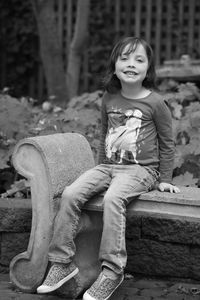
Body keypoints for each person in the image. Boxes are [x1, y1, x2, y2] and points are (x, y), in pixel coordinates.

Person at [37, 36, 180, 300]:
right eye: (124, 58)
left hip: (141, 170)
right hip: (109, 167)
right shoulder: (109, 98)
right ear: (114, 65)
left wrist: (164, 178)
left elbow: (167, 144)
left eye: (139, 59)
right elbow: (105, 134)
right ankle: (62, 262)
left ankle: (112, 271)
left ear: (148, 69)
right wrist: (101, 169)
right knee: (70, 194)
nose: (131, 64)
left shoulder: (156, 103)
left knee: (114, 199)